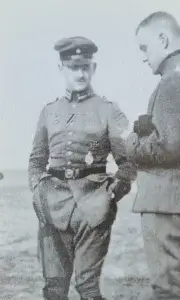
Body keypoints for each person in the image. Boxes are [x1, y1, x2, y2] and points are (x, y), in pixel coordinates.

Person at [28, 36, 136, 300]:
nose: (80, 73)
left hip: (93, 207)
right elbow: (36, 160)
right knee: (54, 287)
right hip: (52, 206)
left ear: (93, 69)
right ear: (61, 69)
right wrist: (37, 189)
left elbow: (129, 161)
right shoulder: (49, 111)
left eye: (85, 67)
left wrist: (114, 191)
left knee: (87, 286)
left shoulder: (108, 110)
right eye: (73, 67)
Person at [126, 11, 180, 300]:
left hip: (168, 201)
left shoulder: (175, 82)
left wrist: (132, 141)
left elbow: (166, 147)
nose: (143, 56)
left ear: (163, 39)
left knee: (170, 292)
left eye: (144, 47)